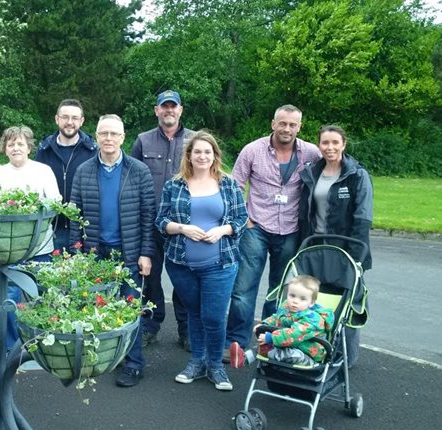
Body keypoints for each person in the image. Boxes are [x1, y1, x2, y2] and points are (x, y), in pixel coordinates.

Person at [225, 104, 321, 362]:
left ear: (299, 127)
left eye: (292, 124)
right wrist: (243, 219)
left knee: (279, 291)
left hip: (290, 230)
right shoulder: (253, 150)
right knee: (243, 289)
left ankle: (270, 342)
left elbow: (332, 171)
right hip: (256, 227)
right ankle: (234, 342)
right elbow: (234, 186)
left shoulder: (311, 153)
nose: (287, 128)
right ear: (273, 123)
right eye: (282, 123)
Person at [156, 130, 247, 391]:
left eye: (208, 151)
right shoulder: (175, 185)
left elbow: (241, 218)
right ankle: (197, 361)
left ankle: (216, 366)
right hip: (181, 264)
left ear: (215, 155)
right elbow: (160, 221)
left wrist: (223, 230)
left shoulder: (228, 184)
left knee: (214, 316)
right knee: (194, 313)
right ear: (189, 155)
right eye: (197, 151)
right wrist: (182, 228)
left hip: (221, 264)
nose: (202, 156)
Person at [69, 114, 155, 388]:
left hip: (128, 251)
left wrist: (146, 253)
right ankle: (102, 358)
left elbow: (147, 214)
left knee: (130, 309)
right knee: (95, 309)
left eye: (113, 134)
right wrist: (76, 253)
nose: (108, 139)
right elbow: (75, 214)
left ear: (122, 137)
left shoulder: (138, 170)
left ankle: (134, 364)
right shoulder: (84, 170)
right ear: (96, 137)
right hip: (96, 251)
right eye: (103, 133)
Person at [298, 125, 373, 367]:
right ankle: (318, 351)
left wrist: (355, 257)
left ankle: (347, 360)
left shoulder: (357, 175)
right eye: (325, 143)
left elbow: (363, 218)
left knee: (347, 304)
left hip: (345, 250)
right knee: (317, 302)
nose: (329, 148)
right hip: (316, 248)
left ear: (343, 144)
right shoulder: (312, 172)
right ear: (319, 146)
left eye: (334, 143)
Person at [131, 90, 195, 350]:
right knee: (150, 277)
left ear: (181, 109)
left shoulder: (194, 140)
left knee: (184, 280)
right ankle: (150, 325)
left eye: (173, 106)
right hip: (150, 222)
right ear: (156, 110)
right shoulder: (143, 141)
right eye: (164, 107)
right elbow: (131, 178)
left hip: (184, 225)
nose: (169, 110)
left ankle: (186, 329)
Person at [230, 275, 334, 368]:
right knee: (261, 344)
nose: (295, 301)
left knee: (291, 353)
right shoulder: (286, 306)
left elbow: (295, 334)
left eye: (302, 299)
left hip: (307, 354)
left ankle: (268, 351)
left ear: (311, 303)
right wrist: (265, 325)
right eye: (292, 295)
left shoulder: (313, 319)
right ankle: (243, 358)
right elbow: (277, 318)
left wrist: (272, 338)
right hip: (286, 344)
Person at [35, 99, 98, 252]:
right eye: (65, 117)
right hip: (51, 229)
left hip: (83, 230)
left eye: (75, 118)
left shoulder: (93, 151)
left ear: (81, 121)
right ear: (57, 119)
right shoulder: (44, 150)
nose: (70, 122)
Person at [0, 125, 61, 260]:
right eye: (11, 145)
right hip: (8, 248)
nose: (16, 148)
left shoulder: (43, 171)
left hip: (39, 247)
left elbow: (56, 202)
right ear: (5, 149)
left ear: (29, 148)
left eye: (20, 144)